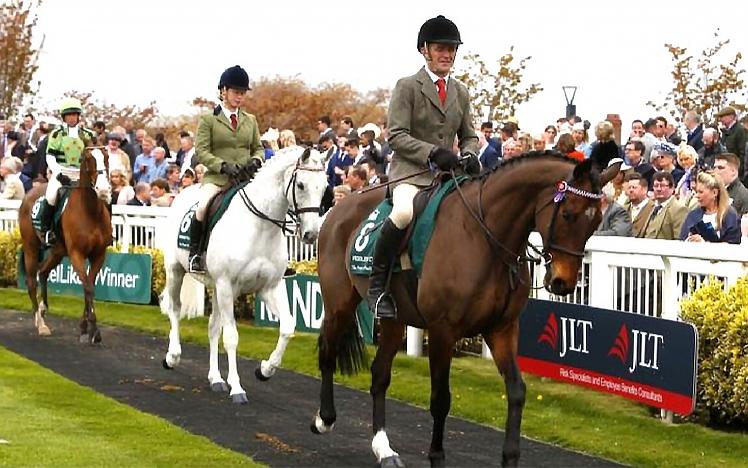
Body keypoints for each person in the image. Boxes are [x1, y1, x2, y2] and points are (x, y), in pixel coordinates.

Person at [367, 15, 480, 319]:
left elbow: (469, 135)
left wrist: (469, 153)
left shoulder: (461, 91)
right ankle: (378, 288)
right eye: (441, 48)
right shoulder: (407, 87)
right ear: (424, 50)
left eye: (452, 49)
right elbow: (397, 135)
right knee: (403, 213)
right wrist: (433, 153)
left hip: (449, 177)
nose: (447, 54)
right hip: (411, 174)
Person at [188, 65, 265, 273]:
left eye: (243, 93)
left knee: (268, 206)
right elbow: (201, 151)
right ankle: (195, 253)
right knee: (203, 207)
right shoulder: (209, 120)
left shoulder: (250, 120)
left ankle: (271, 260)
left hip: (246, 178)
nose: (240, 97)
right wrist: (222, 166)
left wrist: (256, 160)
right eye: (236, 92)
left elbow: (258, 147)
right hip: (218, 179)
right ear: (223, 91)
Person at [40, 97, 97, 246]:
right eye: (68, 115)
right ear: (64, 117)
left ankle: (106, 230)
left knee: (102, 195)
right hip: (62, 172)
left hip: (82, 174)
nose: (71, 118)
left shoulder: (88, 135)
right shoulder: (56, 134)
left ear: (78, 116)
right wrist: (59, 173)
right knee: (51, 196)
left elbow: (95, 155)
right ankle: (47, 231)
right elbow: (50, 156)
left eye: (74, 115)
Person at [680, 171, 740, 244]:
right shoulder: (693, 215)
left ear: (715, 192)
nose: (697, 196)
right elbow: (682, 239)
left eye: (701, 192)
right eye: (696, 192)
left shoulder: (730, 215)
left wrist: (705, 244)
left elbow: (733, 246)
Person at [642, 172, 688, 240]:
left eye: (662, 186)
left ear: (672, 188)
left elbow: (679, 239)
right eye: (656, 186)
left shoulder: (679, 209)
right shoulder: (652, 207)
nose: (659, 189)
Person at [713, 153, 748, 217]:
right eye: (714, 167)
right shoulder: (713, 192)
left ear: (733, 171)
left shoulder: (744, 196)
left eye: (720, 168)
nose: (715, 171)